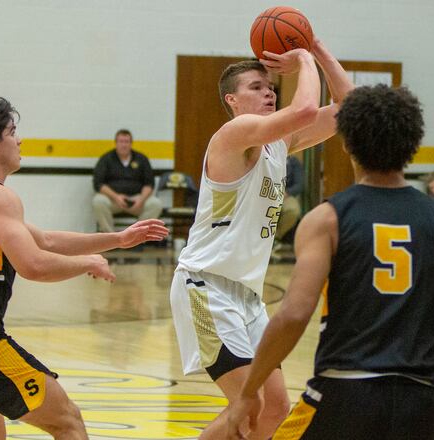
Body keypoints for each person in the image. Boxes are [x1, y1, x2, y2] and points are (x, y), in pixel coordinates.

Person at [224, 84, 434, 440]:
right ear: (413, 144)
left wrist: (248, 390)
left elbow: (293, 316)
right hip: (417, 399)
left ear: (347, 144)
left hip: (344, 392)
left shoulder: (327, 220)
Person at [0, 97, 168, 438]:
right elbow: (34, 265)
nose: (19, 140)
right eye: (12, 132)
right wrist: (87, 263)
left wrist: (118, 239)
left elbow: (45, 240)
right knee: (67, 421)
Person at [169, 40, 353, 440]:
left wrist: (318, 48)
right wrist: (302, 58)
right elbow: (304, 110)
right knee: (248, 406)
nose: (269, 92)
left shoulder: (279, 143)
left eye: (271, 86)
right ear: (232, 100)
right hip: (206, 286)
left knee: (275, 409)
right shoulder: (233, 134)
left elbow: (350, 109)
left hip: (248, 296)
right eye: (257, 87)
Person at [91, 129, 163, 232]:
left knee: (156, 204)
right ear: (116, 143)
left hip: (137, 200)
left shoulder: (141, 159)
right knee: (98, 201)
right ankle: (110, 236)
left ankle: (137, 235)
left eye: (126, 142)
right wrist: (116, 197)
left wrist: (141, 200)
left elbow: (149, 184)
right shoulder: (106, 159)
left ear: (131, 143)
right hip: (114, 200)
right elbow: (98, 184)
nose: (124, 145)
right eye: (121, 141)